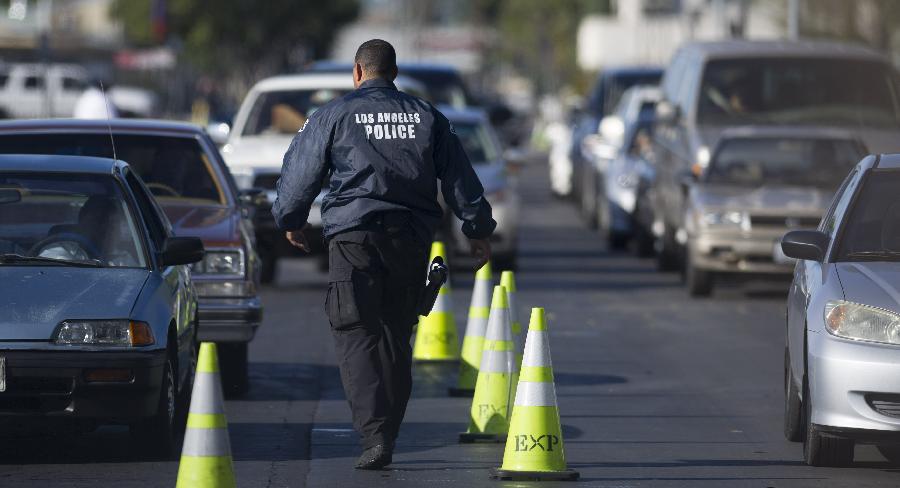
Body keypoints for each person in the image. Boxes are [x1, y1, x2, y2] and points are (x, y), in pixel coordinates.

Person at [272, 39, 495, 469]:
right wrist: (478, 230)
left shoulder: (333, 115)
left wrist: (290, 219)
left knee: (357, 332)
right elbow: (460, 179)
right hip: (409, 240)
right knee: (395, 335)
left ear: (358, 72)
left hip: (353, 238)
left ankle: (375, 435)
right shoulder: (427, 116)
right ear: (392, 72)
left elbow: (299, 176)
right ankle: (386, 431)